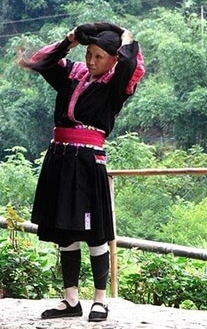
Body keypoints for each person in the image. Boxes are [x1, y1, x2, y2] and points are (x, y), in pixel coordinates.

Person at [21, 22, 145, 322]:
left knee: (94, 232)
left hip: (88, 162)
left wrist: (127, 37)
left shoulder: (118, 84)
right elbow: (40, 60)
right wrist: (69, 41)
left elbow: (131, 63)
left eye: (99, 56)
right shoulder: (73, 75)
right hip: (60, 158)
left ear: (114, 59)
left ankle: (100, 300)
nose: (91, 61)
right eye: (89, 53)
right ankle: (71, 300)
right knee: (65, 231)